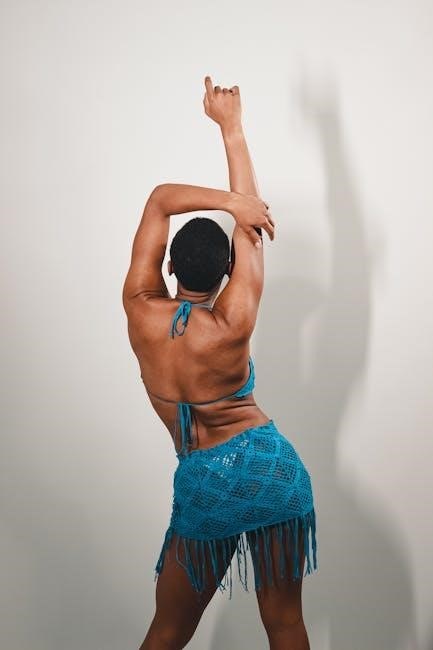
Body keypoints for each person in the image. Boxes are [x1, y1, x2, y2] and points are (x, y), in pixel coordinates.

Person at [122, 76, 318, 650]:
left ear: (168, 265)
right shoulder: (234, 321)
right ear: (227, 270)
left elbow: (160, 199)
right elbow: (252, 228)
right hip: (269, 470)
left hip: (204, 480)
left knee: (168, 629)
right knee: (285, 624)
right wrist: (232, 130)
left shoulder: (139, 309)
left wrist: (226, 203)